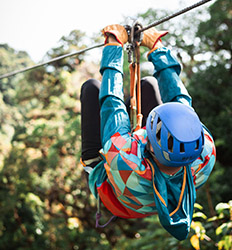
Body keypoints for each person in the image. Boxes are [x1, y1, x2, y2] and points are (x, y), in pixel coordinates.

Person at [80, 24, 216, 240]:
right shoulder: (205, 152)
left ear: (150, 145)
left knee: (92, 88)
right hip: (147, 185)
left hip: (115, 183)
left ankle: (96, 161)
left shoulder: (122, 156)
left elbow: (111, 103)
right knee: (149, 85)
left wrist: (113, 47)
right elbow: (180, 100)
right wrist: (157, 49)